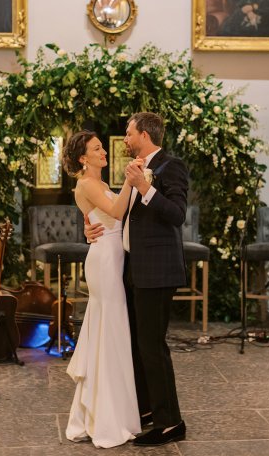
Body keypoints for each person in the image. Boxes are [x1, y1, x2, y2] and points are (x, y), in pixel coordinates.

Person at [85, 112, 188, 447]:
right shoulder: (136, 168)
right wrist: (91, 227)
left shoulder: (171, 166)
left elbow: (177, 215)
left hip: (158, 270)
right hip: (134, 268)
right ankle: (146, 411)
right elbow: (118, 213)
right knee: (138, 345)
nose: (124, 140)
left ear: (144, 134)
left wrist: (145, 187)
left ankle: (170, 422)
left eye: (128, 134)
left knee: (152, 346)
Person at [63, 130, 141, 448]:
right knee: (108, 331)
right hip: (104, 262)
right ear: (83, 158)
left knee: (109, 333)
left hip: (111, 257)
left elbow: (109, 216)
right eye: (97, 149)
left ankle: (99, 412)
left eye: (102, 148)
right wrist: (132, 180)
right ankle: (106, 418)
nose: (103, 152)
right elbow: (118, 212)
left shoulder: (101, 185)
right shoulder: (86, 184)